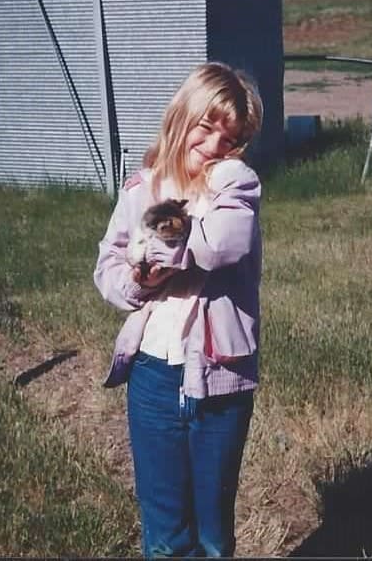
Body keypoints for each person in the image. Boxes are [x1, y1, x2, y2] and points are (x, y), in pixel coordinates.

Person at [93, 61, 263, 558]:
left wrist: (160, 254)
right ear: (179, 118)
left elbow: (220, 248)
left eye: (229, 140)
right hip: (152, 373)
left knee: (212, 532)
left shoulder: (237, 183)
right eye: (205, 129)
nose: (213, 147)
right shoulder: (140, 187)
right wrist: (136, 281)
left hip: (220, 373)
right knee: (165, 528)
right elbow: (110, 262)